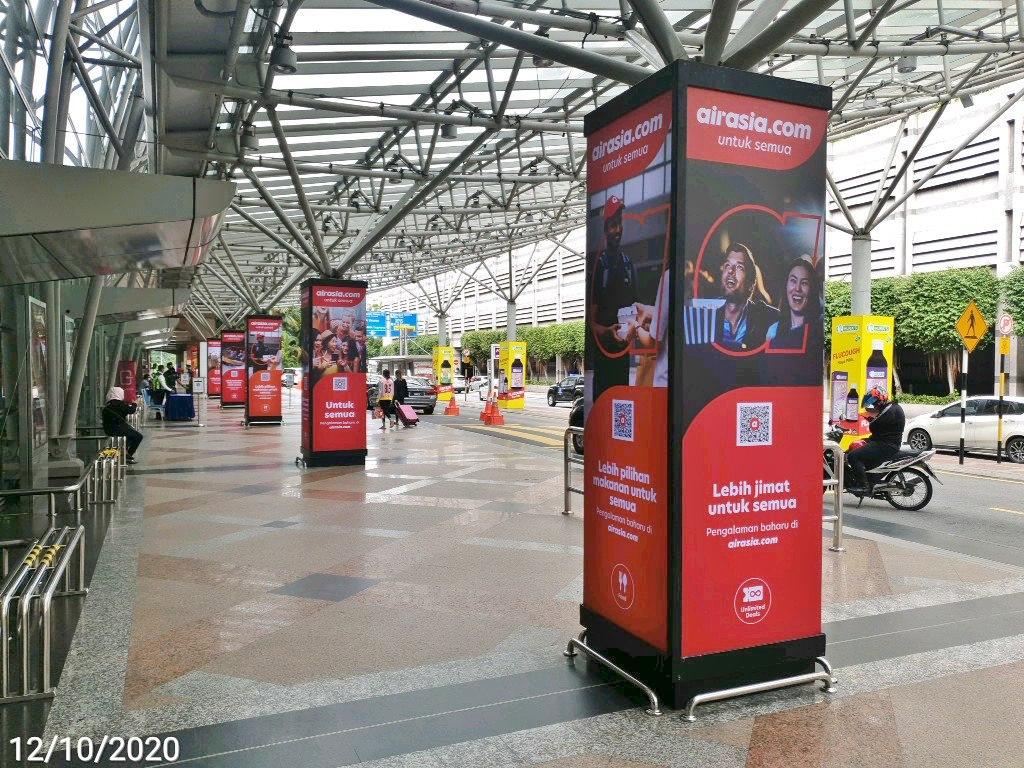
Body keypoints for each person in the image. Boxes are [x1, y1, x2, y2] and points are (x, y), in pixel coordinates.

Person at [589, 196, 637, 402]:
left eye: (620, 223)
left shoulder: (628, 264)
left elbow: (636, 309)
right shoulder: (598, 266)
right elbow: (591, 323)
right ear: (605, 229)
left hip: (623, 357)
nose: (617, 230)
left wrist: (634, 328)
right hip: (604, 359)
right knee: (604, 405)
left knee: (622, 408)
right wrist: (607, 333)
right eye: (612, 225)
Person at [715, 243, 779, 351]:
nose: (731, 271)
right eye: (727, 265)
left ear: (751, 284)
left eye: (739, 267)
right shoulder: (705, 315)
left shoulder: (767, 318)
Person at [846, 388, 906, 493]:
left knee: (853, 456)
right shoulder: (891, 407)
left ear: (880, 400)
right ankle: (865, 476)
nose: (870, 404)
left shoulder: (890, 411)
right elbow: (879, 423)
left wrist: (869, 418)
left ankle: (864, 486)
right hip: (885, 441)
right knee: (854, 447)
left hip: (885, 445)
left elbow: (874, 425)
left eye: (872, 402)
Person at [767, 256, 823, 350]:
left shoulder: (821, 329)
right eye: (793, 281)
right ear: (786, 285)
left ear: (812, 289)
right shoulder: (773, 331)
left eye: (804, 283)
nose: (797, 288)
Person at [102, 387, 143, 464]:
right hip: (118, 429)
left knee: (129, 437)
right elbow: (131, 410)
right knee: (138, 436)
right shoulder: (118, 404)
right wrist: (135, 404)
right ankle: (126, 456)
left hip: (109, 429)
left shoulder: (108, 405)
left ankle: (123, 454)